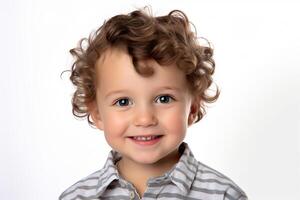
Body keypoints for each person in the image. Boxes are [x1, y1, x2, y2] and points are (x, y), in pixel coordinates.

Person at [59, 7, 248, 200]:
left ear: (192, 108)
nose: (145, 119)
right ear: (97, 113)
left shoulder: (224, 195)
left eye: (164, 99)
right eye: (123, 101)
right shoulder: (76, 197)